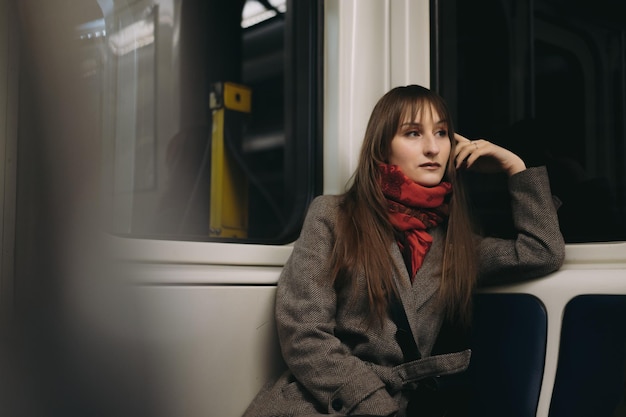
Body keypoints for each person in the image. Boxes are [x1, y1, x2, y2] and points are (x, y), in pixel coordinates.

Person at [242, 85, 565, 417]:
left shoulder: (455, 243)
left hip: (401, 402)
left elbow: (541, 251)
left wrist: (515, 167)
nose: (432, 148)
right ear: (383, 147)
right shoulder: (333, 216)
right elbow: (304, 333)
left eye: (441, 133)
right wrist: (372, 403)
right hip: (322, 401)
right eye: (413, 133)